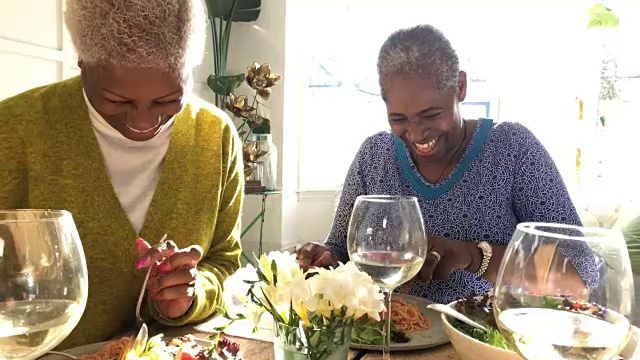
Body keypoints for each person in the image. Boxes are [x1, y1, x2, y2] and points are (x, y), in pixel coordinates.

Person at [0, 0, 243, 348]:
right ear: (82, 63)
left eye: (168, 100)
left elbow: (224, 260)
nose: (144, 123)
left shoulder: (214, 136)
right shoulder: (12, 131)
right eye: (117, 100)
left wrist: (191, 295)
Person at [297, 24, 598, 305]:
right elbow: (342, 250)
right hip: (386, 336)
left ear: (461, 87)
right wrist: (324, 258)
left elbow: (579, 278)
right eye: (398, 119)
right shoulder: (374, 156)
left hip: (477, 339)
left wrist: (473, 256)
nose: (416, 134)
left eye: (430, 115)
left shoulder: (512, 150)